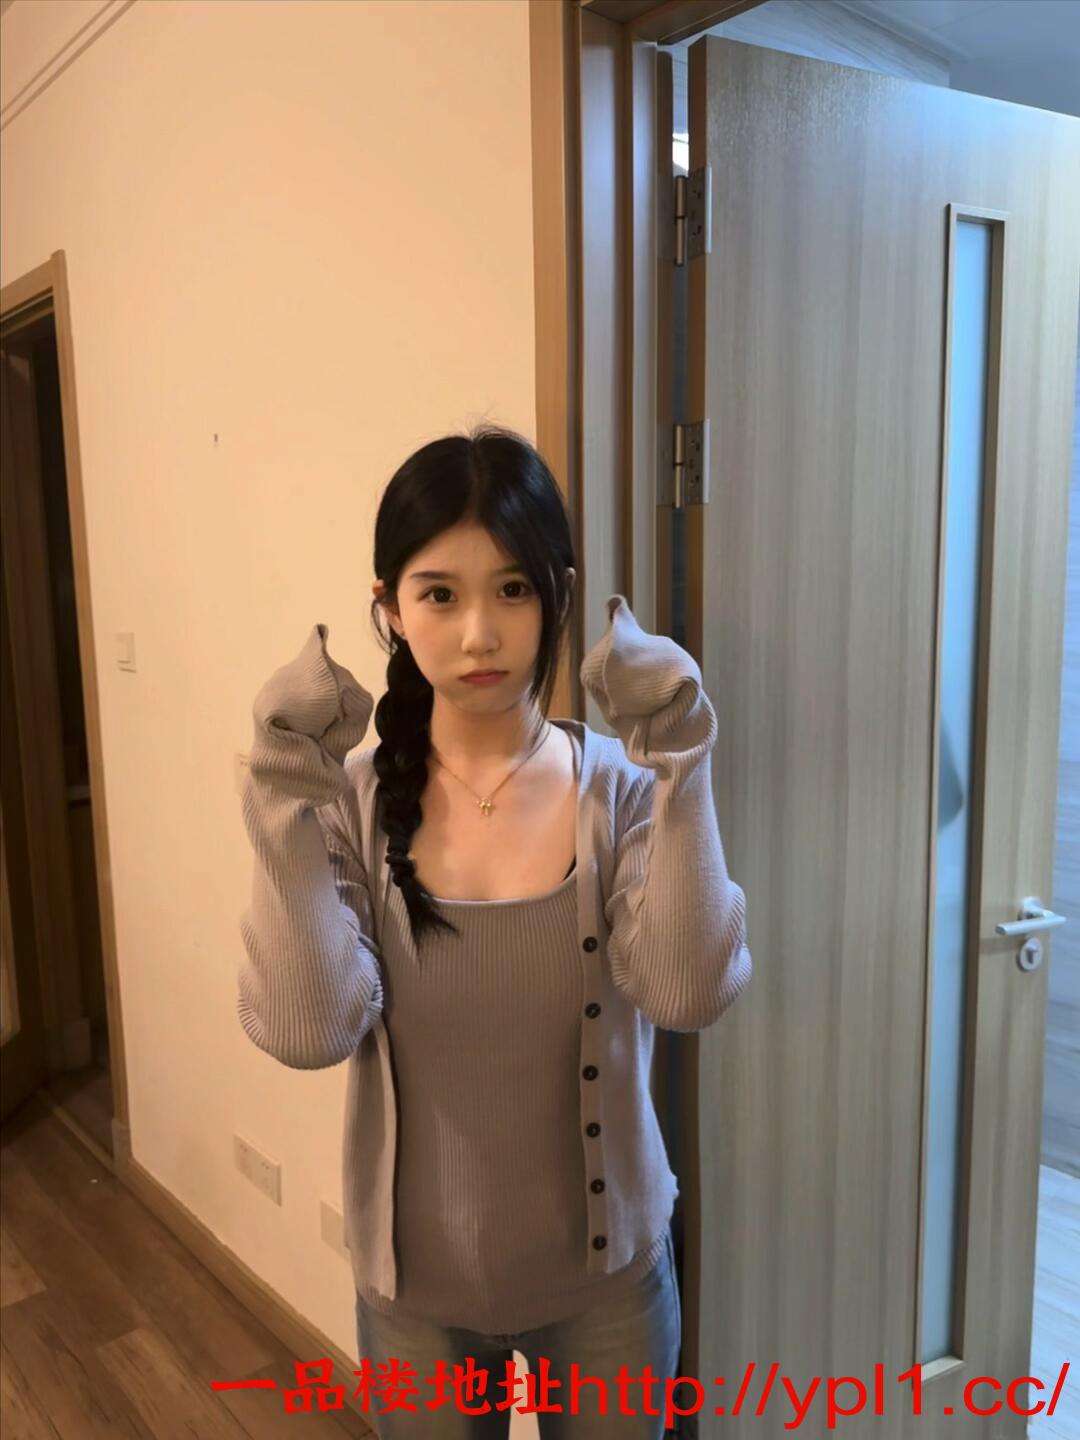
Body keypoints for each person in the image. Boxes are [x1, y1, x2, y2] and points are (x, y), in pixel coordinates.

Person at [237, 423, 752, 1438]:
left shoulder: (621, 788)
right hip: (417, 1298)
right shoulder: (343, 803)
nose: (479, 633)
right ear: (389, 607)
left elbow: (690, 990)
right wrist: (281, 799)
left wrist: (682, 762)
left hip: (607, 1289)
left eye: (513, 589)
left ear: (560, 593)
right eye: (439, 594)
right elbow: (309, 1029)